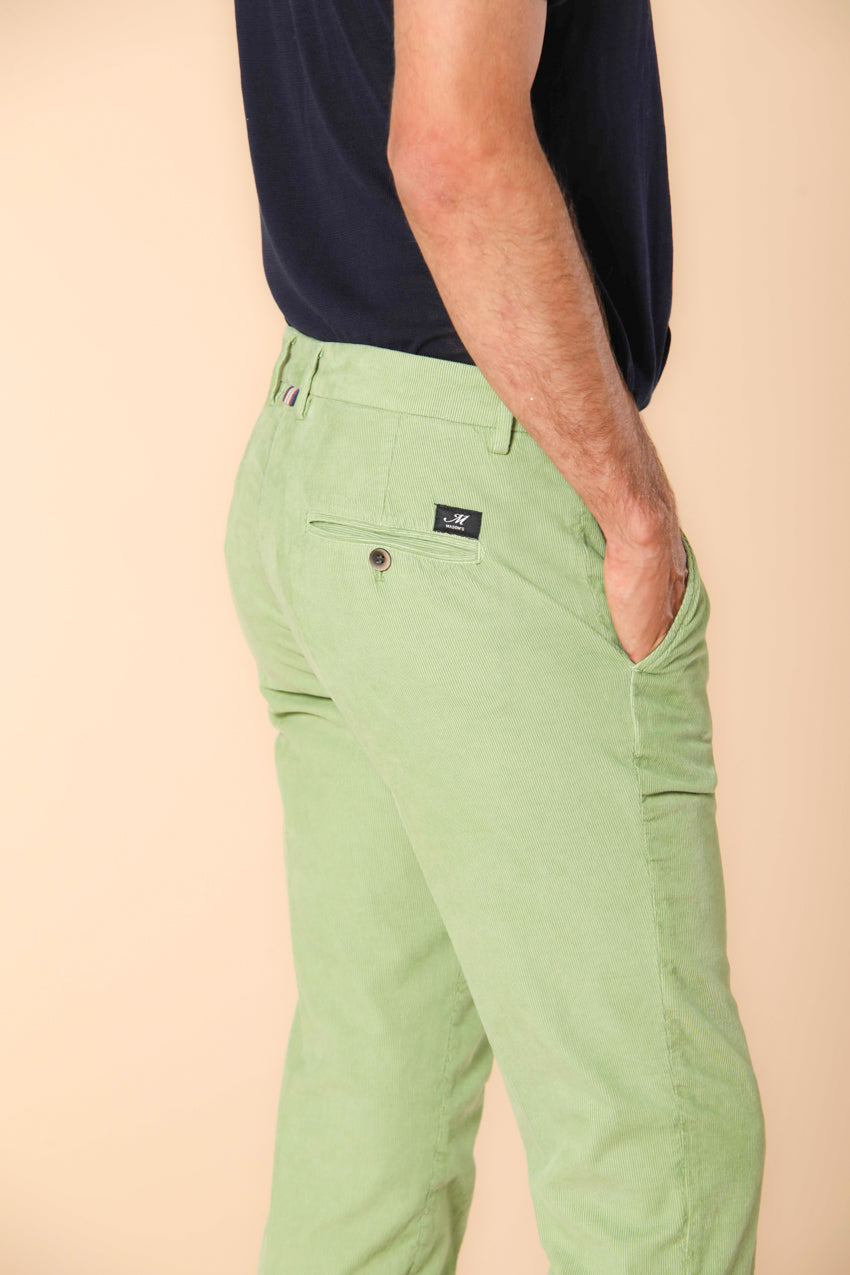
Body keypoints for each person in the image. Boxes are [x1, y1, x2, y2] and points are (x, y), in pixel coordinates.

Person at [223, 0, 767, 1270]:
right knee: (655, 1143)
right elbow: (452, 144)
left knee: (374, 1106)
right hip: (468, 488)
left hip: (320, 446)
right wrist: (629, 510)